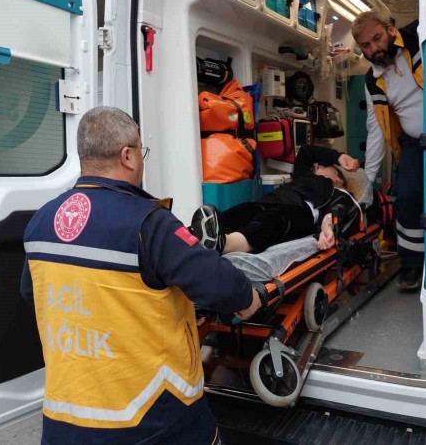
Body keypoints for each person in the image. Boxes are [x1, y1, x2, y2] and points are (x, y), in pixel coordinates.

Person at [20, 106, 262, 445]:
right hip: (152, 422)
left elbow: (35, 292)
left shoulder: (42, 220)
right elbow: (221, 285)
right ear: (128, 156)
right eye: (141, 152)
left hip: (64, 425)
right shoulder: (149, 224)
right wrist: (249, 297)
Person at [352, 9, 425, 291]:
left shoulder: (419, 36)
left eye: (377, 38)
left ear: (390, 29)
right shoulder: (372, 81)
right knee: (406, 197)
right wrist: (367, 182)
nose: (374, 49)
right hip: (414, 142)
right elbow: (376, 130)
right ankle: (412, 264)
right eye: (366, 46)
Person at [190, 144, 361, 255]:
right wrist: (338, 157)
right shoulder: (303, 177)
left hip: (300, 213)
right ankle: (193, 235)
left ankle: (225, 244)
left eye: (325, 166)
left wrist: (327, 228)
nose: (320, 166)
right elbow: (306, 152)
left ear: (339, 179)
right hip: (271, 201)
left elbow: (335, 212)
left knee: (272, 220)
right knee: (245, 210)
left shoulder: (339, 192)